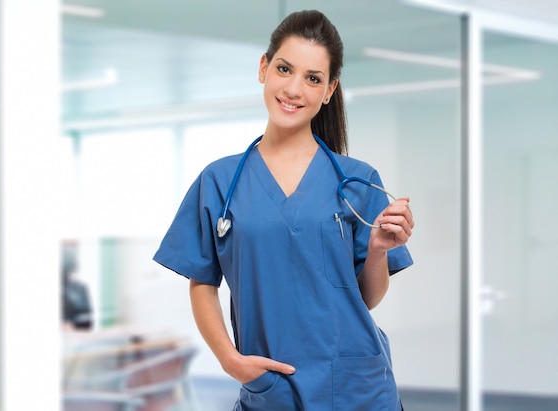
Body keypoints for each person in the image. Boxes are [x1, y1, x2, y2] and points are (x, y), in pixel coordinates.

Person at [154, 9, 414, 410]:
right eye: (284, 68)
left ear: (329, 91)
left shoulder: (358, 181)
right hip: (271, 390)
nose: (294, 88)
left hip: (358, 390)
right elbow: (202, 281)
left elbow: (367, 299)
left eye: (313, 78)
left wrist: (378, 248)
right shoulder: (220, 181)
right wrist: (230, 359)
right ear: (263, 68)